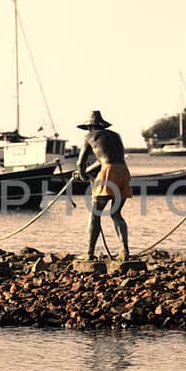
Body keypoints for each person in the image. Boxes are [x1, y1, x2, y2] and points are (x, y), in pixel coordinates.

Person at [75, 109, 132, 261]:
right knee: (116, 214)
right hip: (123, 171)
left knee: (95, 213)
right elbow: (105, 159)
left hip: (108, 172)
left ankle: (89, 253)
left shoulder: (89, 137)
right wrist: (87, 171)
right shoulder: (115, 136)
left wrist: (81, 174)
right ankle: (125, 251)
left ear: (90, 127)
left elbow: (80, 162)